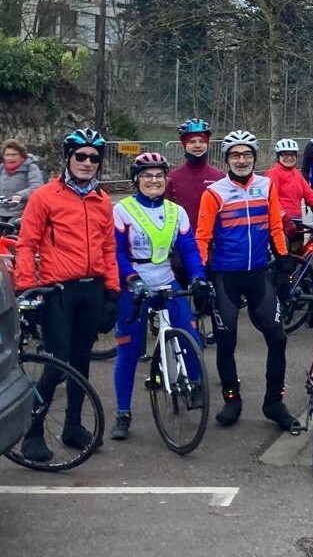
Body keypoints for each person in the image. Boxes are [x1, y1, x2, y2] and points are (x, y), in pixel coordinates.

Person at [14, 128, 119, 461]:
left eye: (94, 158)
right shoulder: (45, 196)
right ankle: (32, 433)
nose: (87, 162)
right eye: (81, 156)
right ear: (68, 158)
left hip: (93, 288)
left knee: (81, 361)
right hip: (58, 290)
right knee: (56, 363)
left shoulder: (102, 200)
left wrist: (112, 291)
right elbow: (27, 244)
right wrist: (26, 289)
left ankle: (72, 426)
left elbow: (108, 247)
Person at [195, 130, 299, 431]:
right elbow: (202, 237)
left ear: (254, 157)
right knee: (226, 341)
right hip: (225, 276)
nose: (241, 160)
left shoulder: (266, 185)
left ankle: (274, 402)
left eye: (247, 155)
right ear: (227, 159)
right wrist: (201, 277)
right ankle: (232, 399)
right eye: (235, 155)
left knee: (278, 338)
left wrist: (284, 265)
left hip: (258, 274)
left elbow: (275, 226)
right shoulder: (214, 192)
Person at [110, 152, 213, 440]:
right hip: (134, 285)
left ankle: (194, 384)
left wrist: (199, 277)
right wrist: (132, 280)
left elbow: (189, 249)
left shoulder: (176, 212)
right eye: (147, 176)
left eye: (158, 176)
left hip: (166, 280)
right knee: (129, 351)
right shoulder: (122, 210)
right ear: (136, 180)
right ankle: (123, 412)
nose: (153, 180)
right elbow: (117, 252)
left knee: (191, 335)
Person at [165, 119, 224, 225]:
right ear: (184, 145)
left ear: (207, 144)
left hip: (212, 234)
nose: (197, 145)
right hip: (183, 234)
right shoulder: (171, 178)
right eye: (192, 142)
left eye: (202, 141)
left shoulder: (219, 177)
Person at [267, 139, 313, 242]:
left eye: (292, 155)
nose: (289, 158)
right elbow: (271, 200)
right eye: (285, 155)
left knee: (300, 250)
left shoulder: (297, 173)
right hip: (281, 222)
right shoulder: (273, 173)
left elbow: (309, 194)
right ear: (278, 156)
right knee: (284, 251)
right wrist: (285, 218)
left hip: (297, 221)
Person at [0, 139, 44, 223]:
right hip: (2, 209)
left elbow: (37, 186)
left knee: (11, 227)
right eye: (7, 155)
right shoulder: (2, 168)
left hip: (21, 211)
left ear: (21, 154)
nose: (10, 158)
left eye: (14, 155)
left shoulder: (30, 167)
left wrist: (20, 195)